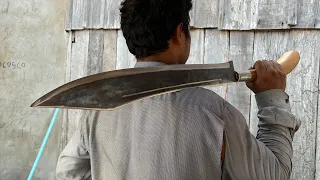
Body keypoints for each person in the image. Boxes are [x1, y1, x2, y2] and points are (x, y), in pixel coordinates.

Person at [56, 0, 301, 179]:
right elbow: (275, 174)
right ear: (179, 33)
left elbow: (68, 171)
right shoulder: (214, 114)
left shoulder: (99, 108)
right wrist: (272, 99)